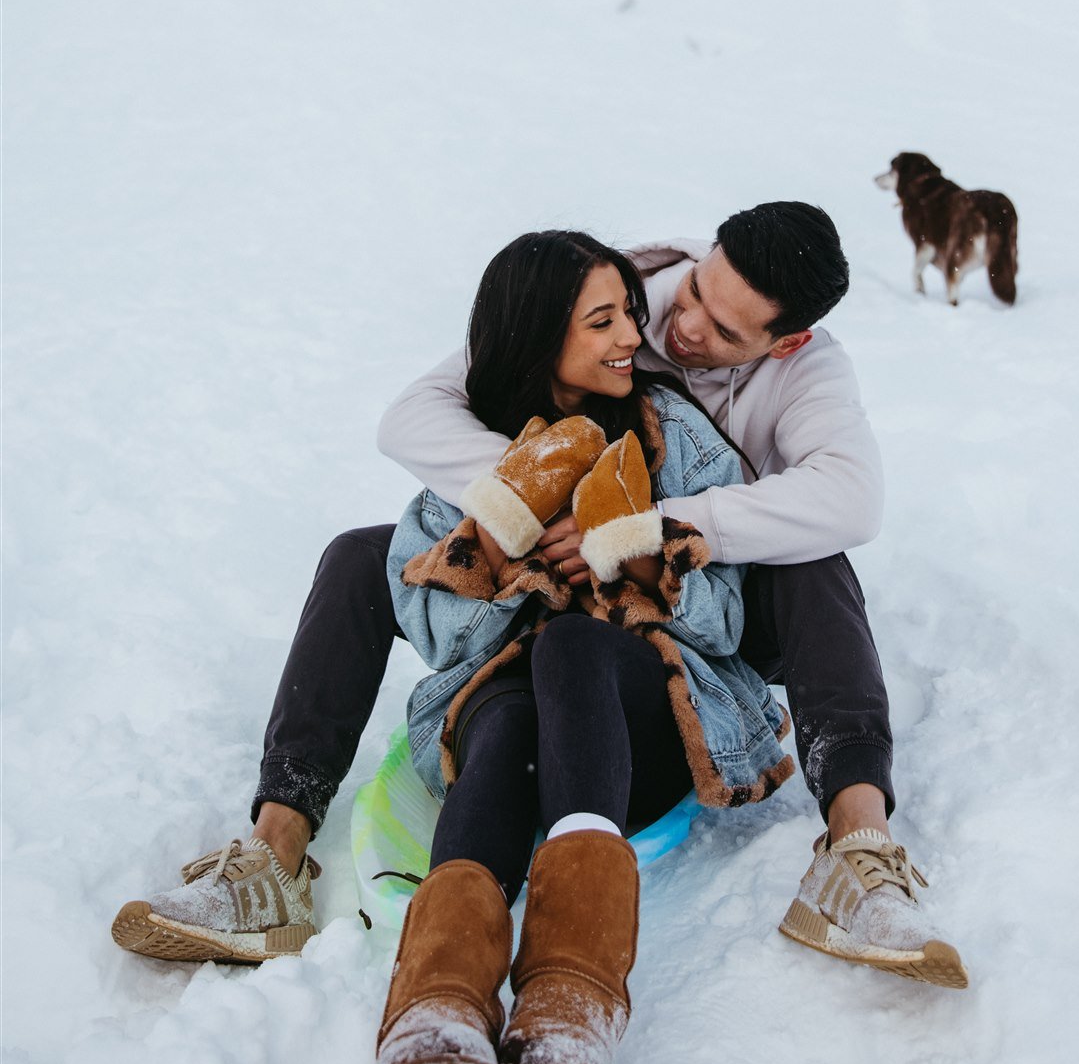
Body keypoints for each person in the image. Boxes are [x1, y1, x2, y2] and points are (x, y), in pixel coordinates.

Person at [112, 201, 966, 991]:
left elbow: (853, 499)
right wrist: (538, 496)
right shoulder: (619, 294)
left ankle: (857, 846)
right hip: (550, 595)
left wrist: (652, 524)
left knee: (820, 562)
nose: (679, 325)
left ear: (782, 344)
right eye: (696, 291)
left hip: (707, 587)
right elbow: (413, 414)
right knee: (358, 559)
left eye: (722, 328)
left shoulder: (803, 377)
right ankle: (275, 855)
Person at [357, 230, 793, 1064]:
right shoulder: (482, 456)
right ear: (537, 336)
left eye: (630, 311)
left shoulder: (681, 444)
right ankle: (436, 1013)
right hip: (521, 728)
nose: (632, 335)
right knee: (511, 704)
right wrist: (514, 547)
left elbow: (730, 623)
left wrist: (634, 548)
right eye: (602, 321)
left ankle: (569, 1001)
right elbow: (438, 631)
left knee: (572, 651)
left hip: (650, 727)